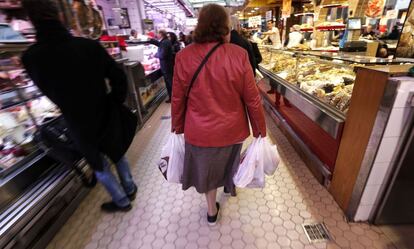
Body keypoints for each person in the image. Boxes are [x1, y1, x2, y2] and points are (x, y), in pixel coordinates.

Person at [22, 0, 138, 213]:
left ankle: (122, 201)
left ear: (31, 21)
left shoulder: (30, 57)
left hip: (76, 121)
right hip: (103, 111)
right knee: (117, 153)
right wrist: (114, 101)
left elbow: (46, 90)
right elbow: (118, 76)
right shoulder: (88, 46)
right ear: (60, 17)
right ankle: (130, 188)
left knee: (98, 165)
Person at [172, 4, 266, 226]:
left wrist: (176, 127)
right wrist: (260, 129)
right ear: (226, 27)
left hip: (200, 131)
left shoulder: (183, 57)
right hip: (232, 129)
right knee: (228, 162)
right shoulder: (239, 54)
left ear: (200, 25)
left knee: (207, 171)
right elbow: (252, 98)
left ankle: (211, 210)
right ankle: (229, 186)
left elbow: (178, 98)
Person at [156, 30, 174, 103]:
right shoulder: (165, 41)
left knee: (169, 82)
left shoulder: (164, 42)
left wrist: (156, 55)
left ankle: (173, 98)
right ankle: (172, 97)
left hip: (166, 66)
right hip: (167, 65)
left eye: (158, 33)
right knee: (169, 82)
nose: (157, 35)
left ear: (161, 34)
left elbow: (162, 55)